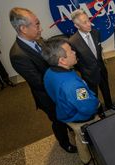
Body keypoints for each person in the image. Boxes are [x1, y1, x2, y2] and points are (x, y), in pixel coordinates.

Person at [9, 7, 77, 153]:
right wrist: (64, 82)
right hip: (47, 96)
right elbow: (39, 82)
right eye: (37, 24)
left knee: (66, 114)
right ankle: (65, 143)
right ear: (23, 28)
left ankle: (70, 128)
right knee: (57, 120)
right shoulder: (17, 55)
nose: (41, 28)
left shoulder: (38, 40)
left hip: (59, 87)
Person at [43, 38, 100, 165]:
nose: (75, 52)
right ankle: (86, 159)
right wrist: (97, 103)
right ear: (62, 60)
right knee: (83, 139)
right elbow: (87, 107)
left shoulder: (49, 71)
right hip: (80, 118)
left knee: (76, 135)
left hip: (64, 113)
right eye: (71, 51)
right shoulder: (73, 85)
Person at [69, 9, 115, 116]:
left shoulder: (96, 33)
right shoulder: (73, 41)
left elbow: (98, 53)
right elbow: (75, 62)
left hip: (102, 69)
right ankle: (98, 111)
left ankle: (109, 104)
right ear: (77, 26)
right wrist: (85, 70)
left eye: (88, 20)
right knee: (93, 94)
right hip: (88, 74)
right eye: (84, 22)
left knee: (106, 88)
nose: (89, 24)